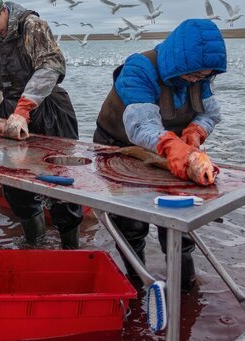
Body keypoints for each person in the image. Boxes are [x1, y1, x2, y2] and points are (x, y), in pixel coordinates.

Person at [93, 18, 226, 290]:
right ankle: (136, 283)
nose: (198, 81)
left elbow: (210, 113)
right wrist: (172, 145)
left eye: (204, 76)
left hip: (172, 156)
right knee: (130, 224)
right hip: (120, 147)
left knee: (179, 220)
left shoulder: (200, 77)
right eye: (194, 75)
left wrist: (196, 131)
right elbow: (141, 126)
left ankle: (185, 286)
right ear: (179, 61)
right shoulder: (139, 69)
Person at [0, 0, 83, 249]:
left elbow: (51, 66)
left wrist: (25, 107)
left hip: (50, 109)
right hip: (10, 113)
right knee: (17, 185)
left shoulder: (33, 26)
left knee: (63, 184)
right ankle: (36, 244)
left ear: (3, 10)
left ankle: (71, 249)